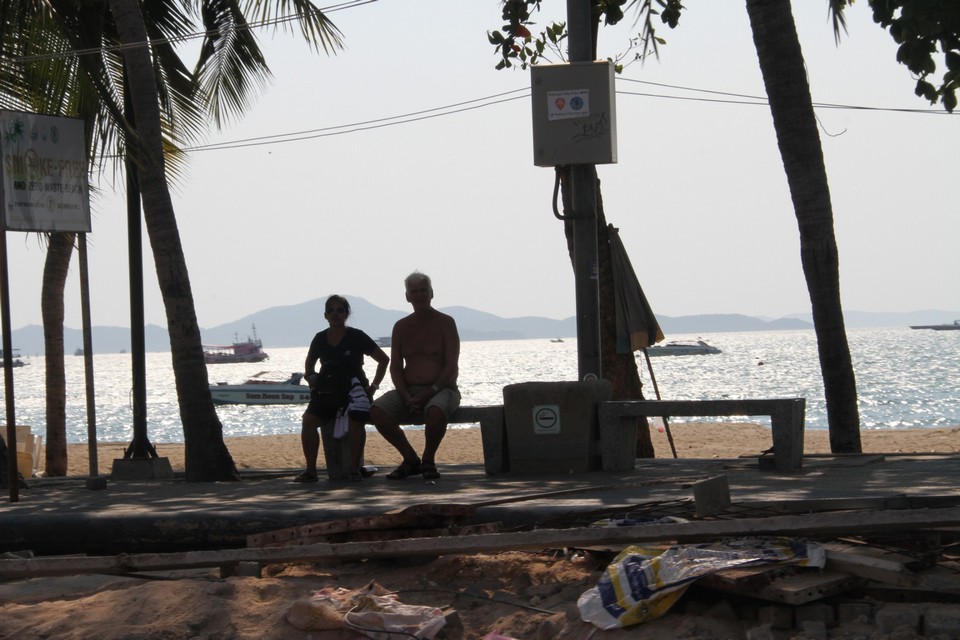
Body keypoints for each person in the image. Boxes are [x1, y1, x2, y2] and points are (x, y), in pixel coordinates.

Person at [369, 271, 461, 480]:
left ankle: (428, 459)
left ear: (431, 293)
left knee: (436, 411)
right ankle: (411, 459)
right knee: (377, 411)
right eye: (414, 291)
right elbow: (395, 367)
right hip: (408, 390)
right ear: (407, 296)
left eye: (423, 290)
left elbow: (451, 366)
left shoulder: (445, 323)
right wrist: (405, 396)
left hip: (442, 389)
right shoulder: (401, 327)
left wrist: (431, 391)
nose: (419, 295)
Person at [296, 295, 389, 482]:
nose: (335, 314)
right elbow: (309, 364)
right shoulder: (320, 338)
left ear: (347, 314)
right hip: (326, 392)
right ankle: (311, 471)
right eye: (331, 310)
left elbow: (384, 359)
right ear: (325, 315)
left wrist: (373, 387)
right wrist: (310, 378)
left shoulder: (356, 336)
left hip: (354, 392)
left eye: (340, 310)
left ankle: (354, 469)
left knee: (356, 422)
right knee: (308, 421)